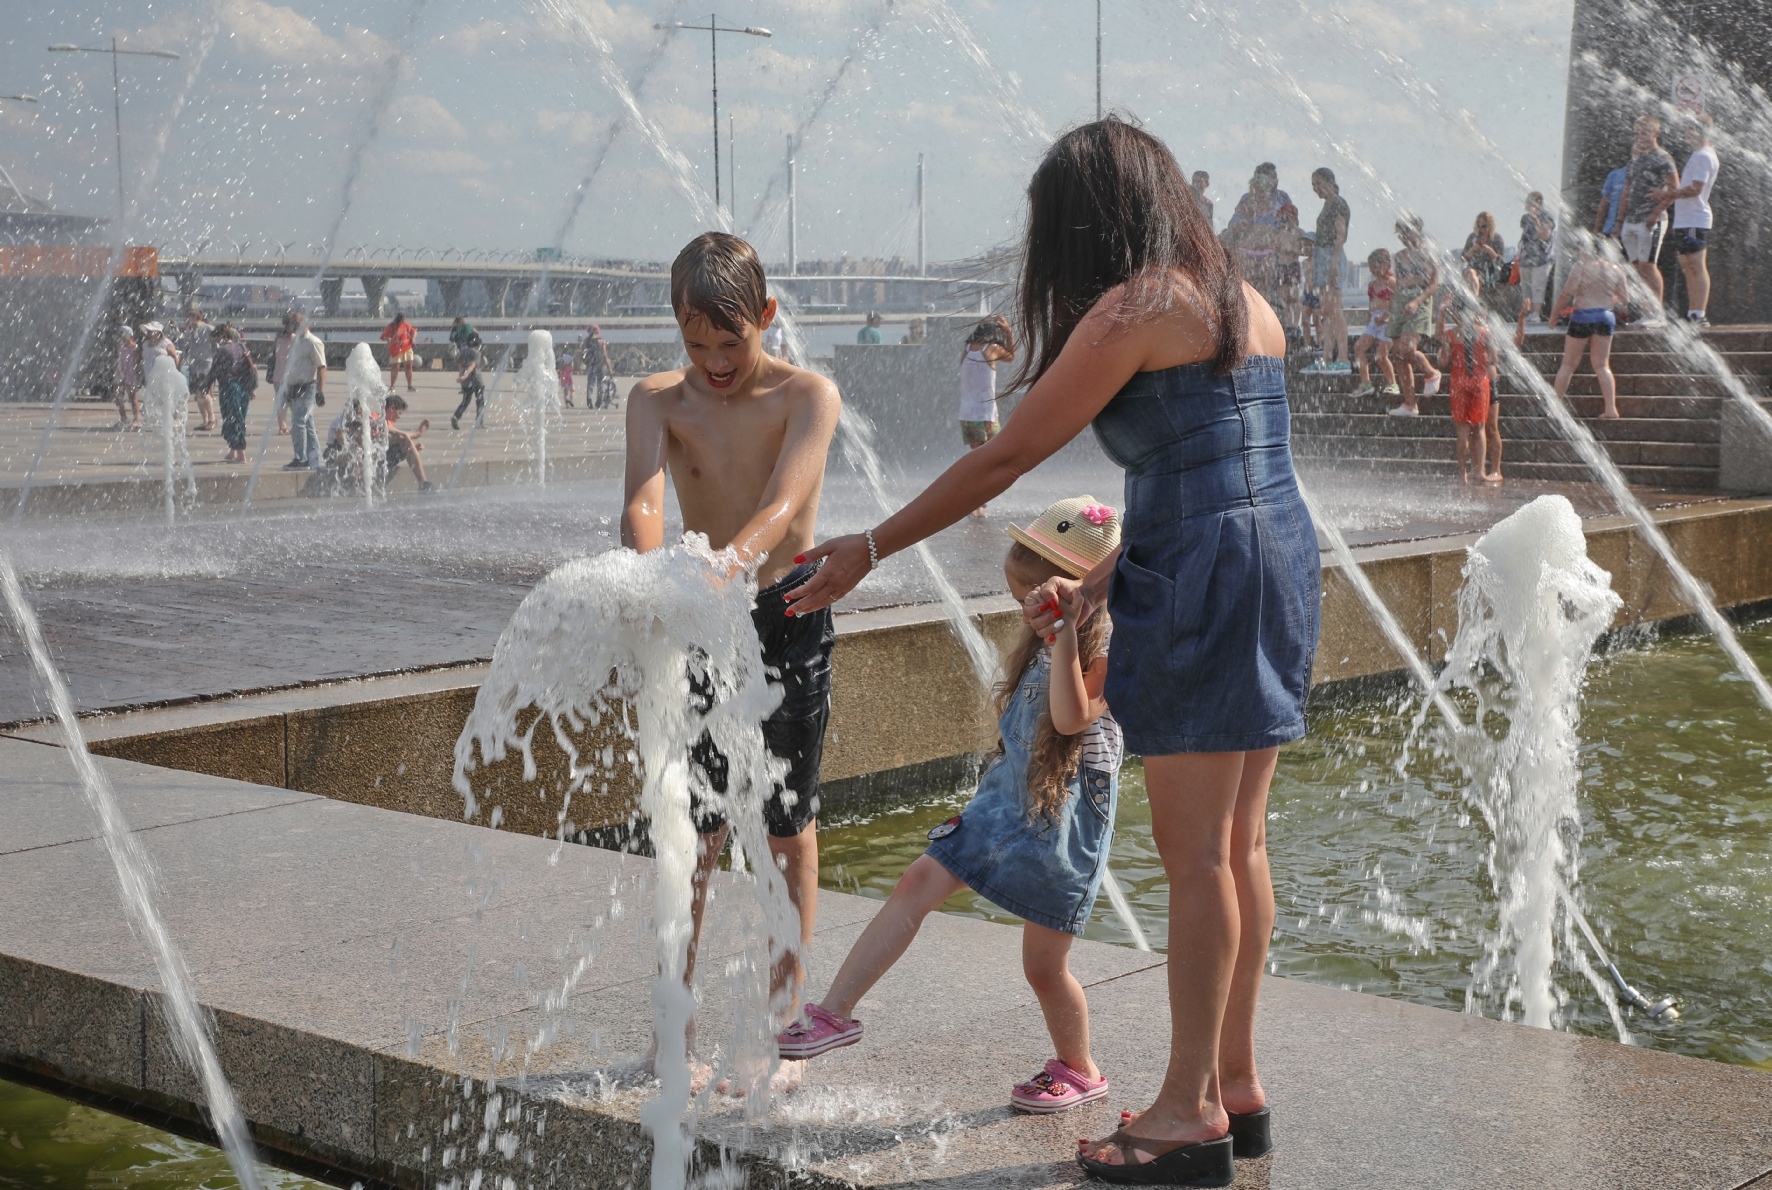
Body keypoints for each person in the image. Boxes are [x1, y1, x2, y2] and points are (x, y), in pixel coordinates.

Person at [782, 118, 1319, 1185]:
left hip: (1208, 579)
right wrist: (1110, 579)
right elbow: (1219, 468)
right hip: (1273, 557)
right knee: (1239, 838)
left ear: (1083, 221)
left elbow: (1011, 454)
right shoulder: (1239, 302)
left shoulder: (1137, 305)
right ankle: (1237, 1081)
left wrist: (868, 545)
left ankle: (1185, 1109)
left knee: (1197, 852)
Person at [776, 498, 1124, 1115]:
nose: (1026, 613)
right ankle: (835, 1014)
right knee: (919, 877)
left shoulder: (1111, 647)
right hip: (1008, 794)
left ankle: (1081, 1067)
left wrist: (1067, 633)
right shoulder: (1043, 640)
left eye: (1034, 600)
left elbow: (1071, 717)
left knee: (1044, 967)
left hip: (1066, 814)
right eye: (1023, 601)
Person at [622, 232, 842, 1083]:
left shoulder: (808, 395)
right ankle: (671, 1023)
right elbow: (644, 497)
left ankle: (785, 1025)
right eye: (696, 343)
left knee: (787, 825)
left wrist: (727, 565)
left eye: (733, 341)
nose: (714, 361)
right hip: (699, 618)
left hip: (787, 610)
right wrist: (650, 579)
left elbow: (788, 505)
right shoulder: (657, 401)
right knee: (692, 828)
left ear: (768, 318)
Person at [1549, 235, 1632, 419]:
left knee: (1568, 364)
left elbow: (1566, 293)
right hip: (1605, 317)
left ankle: (1555, 409)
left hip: (1582, 317)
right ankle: (1611, 408)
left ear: (1589, 249)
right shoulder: (1616, 269)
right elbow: (1625, 300)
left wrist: (1554, 314)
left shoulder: (1581, 267)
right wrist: (1610, 299)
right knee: (1602, 365)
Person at [1616, 114, 1677, 318]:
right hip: (1630, 221)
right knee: (1636, 268)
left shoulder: (1663, 158)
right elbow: (1627, 190)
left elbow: (1674, 189)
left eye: (1645, 132)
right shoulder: (1634, 159)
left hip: (1651, 220)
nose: (1640, 136)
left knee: (1648, 266)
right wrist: (1619, 221)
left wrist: (1656, 213)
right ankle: (1645, 312)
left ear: (1656, 133)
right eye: (1637, 133)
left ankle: (1657, 314)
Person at [958, 315, 1017, 516]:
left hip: (967, 415)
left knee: (978, 459)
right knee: (992, 458)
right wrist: (1009, 333)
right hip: (986, 415)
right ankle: (976, 501)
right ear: (993, 335)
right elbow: (1011, 356)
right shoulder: (990, 349)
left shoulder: (966, 351)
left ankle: (975, 501)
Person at [1437, 296, 1498, 484]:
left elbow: (1443, 363)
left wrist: (1446, 350)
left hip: (1458, 383)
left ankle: (1462, 474)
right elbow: (1494, 359)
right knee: (1479, 427)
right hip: (1479, 382)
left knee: (1462, 430)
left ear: (1456, 314)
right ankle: (1479, 471)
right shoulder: (1485, 333)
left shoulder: (1450, 335)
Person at [1666, 114, 1720, 327]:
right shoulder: (1697, 154)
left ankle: (1699, 314)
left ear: (1702, 131)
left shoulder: (1704, 156)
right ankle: (1692, 312)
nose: (1687, 133)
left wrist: (1668, 195)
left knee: (1695, 265)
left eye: (1691, 128)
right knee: (1687, 266)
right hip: (1685, 220)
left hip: (1695, 219)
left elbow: (1696, 189)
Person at [1387, 214, 1442, 416]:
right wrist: (1390, 309)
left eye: (1405, 232)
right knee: (1398, 355)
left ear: (1415, 231)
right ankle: (1410, 404)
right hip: (1400, 304)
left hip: (1418, 303)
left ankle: (1432, 373)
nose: (1402, 237)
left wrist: (1416, 300)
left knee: (1408, 348)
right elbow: (1400, 283)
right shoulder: (1399, 256)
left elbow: (1433, 283)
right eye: (1400, 234)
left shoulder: (1428, 253)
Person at [1307, 168, 1350, 372]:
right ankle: (1326, 358)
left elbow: (1341, 235)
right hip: (1323, 256)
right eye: (1314, 185)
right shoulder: (1327, 204)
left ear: (1330, 181)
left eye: (1318, 184)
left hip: (1332, 256)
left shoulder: (1338, 204)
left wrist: (1333, 263)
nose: (1316, 189)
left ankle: (1343, 358)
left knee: (1336, 310)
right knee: (1327, 311)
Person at [275, 312, 326, 470]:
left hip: (307, 386)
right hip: (294, 387)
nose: (293, 329)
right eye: (292, 326)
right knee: (307, 423)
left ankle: (301, 459)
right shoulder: (294, 341)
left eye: (296, 325)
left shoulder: (313, 342)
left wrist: (320, 391)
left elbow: (322, 367)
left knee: (298, 422)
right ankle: (316, 458)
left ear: (305, 325)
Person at [202, 323, 257, 464]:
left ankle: (241, 455)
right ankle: (233, 451)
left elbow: (214, 370)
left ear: (222, 337)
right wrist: (251, 388)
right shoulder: (242, 347)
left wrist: (205, 386)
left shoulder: (223, 351)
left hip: (229, 387)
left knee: (232, 419)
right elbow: (251, 368)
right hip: (243, 387)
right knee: (239, 418)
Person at [1351, 248, 1399, 401]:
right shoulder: (1372, 285)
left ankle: (1393, 383)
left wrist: (1388, 317)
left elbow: (1397, 305)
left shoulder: (1392, 283)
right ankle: (1365, 383)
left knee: (1380, 356)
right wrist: (1368, 324)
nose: (1375, 271)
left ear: (1387, 265)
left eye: (1377, 267)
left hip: (1388, 320)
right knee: (1358, 347)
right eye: (1372, 268)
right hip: (1374, 320)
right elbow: (1371, 305)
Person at [1515, 191, 1557, 334]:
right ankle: (1528, 313)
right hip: (1526, 258)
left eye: (1531, 202)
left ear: (1538, 203)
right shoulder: (1525, 218)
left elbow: (1544, 235)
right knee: (1526, 287)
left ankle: (1536, 314)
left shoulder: (1547, 217)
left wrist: (1536, 220)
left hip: (1541, 259)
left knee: (1538, 287)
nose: (1527, 205)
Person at [383, 394, 434, 489]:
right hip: (374, 459)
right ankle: (423, 483)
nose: (399, 417)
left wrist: (413, 449)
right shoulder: (377, 418)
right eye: (399, 413)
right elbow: (391, 436)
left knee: (406, 442)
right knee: (404, 438)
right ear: (392, 409)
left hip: (385, 457)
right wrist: (416, 434)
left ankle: (423, 484)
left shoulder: (389, 423)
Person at [180, 307, 218, 431]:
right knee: (197, 394)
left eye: (188, 318)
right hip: (194, 365)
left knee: (204, 392)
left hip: (206, 363)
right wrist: (179, 364)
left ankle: (212, 418)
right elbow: (186, 349)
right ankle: (205, 420)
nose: (186, 320)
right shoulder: (188, 332)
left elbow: (216, 346)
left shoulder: (208, 329)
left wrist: (217, 361)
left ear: (195, 318)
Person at [1461, 212, 1508, 302]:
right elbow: (1463, 258)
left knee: (1474, 278)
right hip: (1474, 268)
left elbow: (1501, 261)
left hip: (1489, 271)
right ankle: (1475, 299)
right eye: (1479, 226)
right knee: (1470, 273)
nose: (1482, 230)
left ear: (1490, 226)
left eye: (1484, 226)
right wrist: (1472, 250)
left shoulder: (1496, 238)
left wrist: (1489, 250)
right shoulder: (1473, 237)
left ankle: (1474, 300)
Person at [113, 326, 143, 430]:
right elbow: (118, 359)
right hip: (121, 373)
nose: (121, 337)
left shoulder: (135, 348)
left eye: (123, 334)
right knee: (118, 396)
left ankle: (137, 419)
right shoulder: (120, 347)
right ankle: (123, 417)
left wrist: (138, 375)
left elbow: (138, 362)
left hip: (131, 373)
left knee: (132, 397)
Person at [381, 312, 418, 392]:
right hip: (395, 350)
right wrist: (388, 339)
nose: (403, 322)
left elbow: (414, 331)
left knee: (408, 367)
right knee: (395, 367)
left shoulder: (406, 325)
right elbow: (383, 336)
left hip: (407, 348)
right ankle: (392, 386)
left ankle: (410, 386)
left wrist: (413, 339)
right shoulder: (391, 326)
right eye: (402, 320)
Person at [452, 344, 485, 430]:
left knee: (465, 402)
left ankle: (456, 416)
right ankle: (479, 422)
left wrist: (461, 374)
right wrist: (466, 374)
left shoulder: (462, 352)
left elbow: (458, 362)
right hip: (476, 380)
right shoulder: (476, 353)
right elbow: (472, 365)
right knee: (480, 402)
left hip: (466, 382)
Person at [582, 324, 615, 407]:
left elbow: (582, 353)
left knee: (590, 383)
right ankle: (598, 401)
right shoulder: (602, 341)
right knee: (600, 383)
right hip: (600, 365)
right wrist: (609, 368)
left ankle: (589, 399)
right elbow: (604, 355)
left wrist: (582, 364)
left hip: (591, 365)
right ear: (598, 331)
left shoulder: (586, 341)